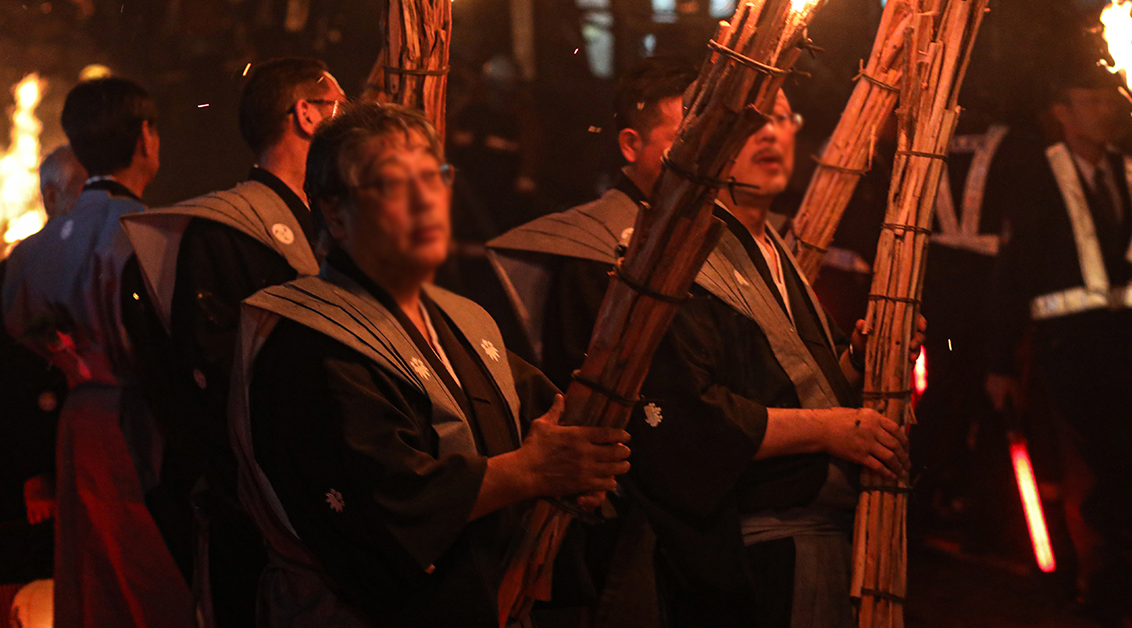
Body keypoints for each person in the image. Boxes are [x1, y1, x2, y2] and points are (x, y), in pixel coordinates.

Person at [230, 102, 630, 627]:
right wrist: (530, 470)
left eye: (434, 179)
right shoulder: (310, 336)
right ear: (334, 210)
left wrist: (579, 464)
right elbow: (388, 501)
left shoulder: (463, 318)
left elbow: (550, 420)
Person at [626, 89, 915, 628]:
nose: (770, 133)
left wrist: (856, 358)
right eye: (753, 120)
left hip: (829, 535)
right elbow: (691, 418)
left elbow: (799, 390)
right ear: (709, 138)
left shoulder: (774, 248)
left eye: (783, 118)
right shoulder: (675, 254)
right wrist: (827, 431)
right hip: (760, 548)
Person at [118, 57, 342, 627]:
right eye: (344, 106)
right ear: (308, 115)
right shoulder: (225, 230)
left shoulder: (339, 225)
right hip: (264, 509)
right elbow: (215, 384)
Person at [486, 56, 699, 627]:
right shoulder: (597, 248)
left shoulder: (697, 234)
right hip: (615, 515)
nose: (704, 157)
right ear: (631, 144)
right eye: (684, 139)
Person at [1, 76, 194, 628]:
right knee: (148, 578)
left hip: (77, 418)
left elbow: (22, 330)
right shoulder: (154, 235)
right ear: (146, 139)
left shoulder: (31, 254)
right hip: (141, 422)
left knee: (91, 581)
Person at [982, 65, 1132, 628]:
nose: (1106, 111)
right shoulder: (1035, 175)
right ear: (1062, 113)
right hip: (1065, 348)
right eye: (1090, 100)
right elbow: (1011, 270)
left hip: (1128, 347)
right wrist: (999, 361)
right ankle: (1095, 583)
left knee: (1121, 468)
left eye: (1110, 100)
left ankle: (1109, 574)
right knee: (1078, 470)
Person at [0, 146, 84, 592]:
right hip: (29, 479)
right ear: (51, 196)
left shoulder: (96, 259)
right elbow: (13, 379)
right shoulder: (23, 271)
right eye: (83, 192)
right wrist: (34, 469)